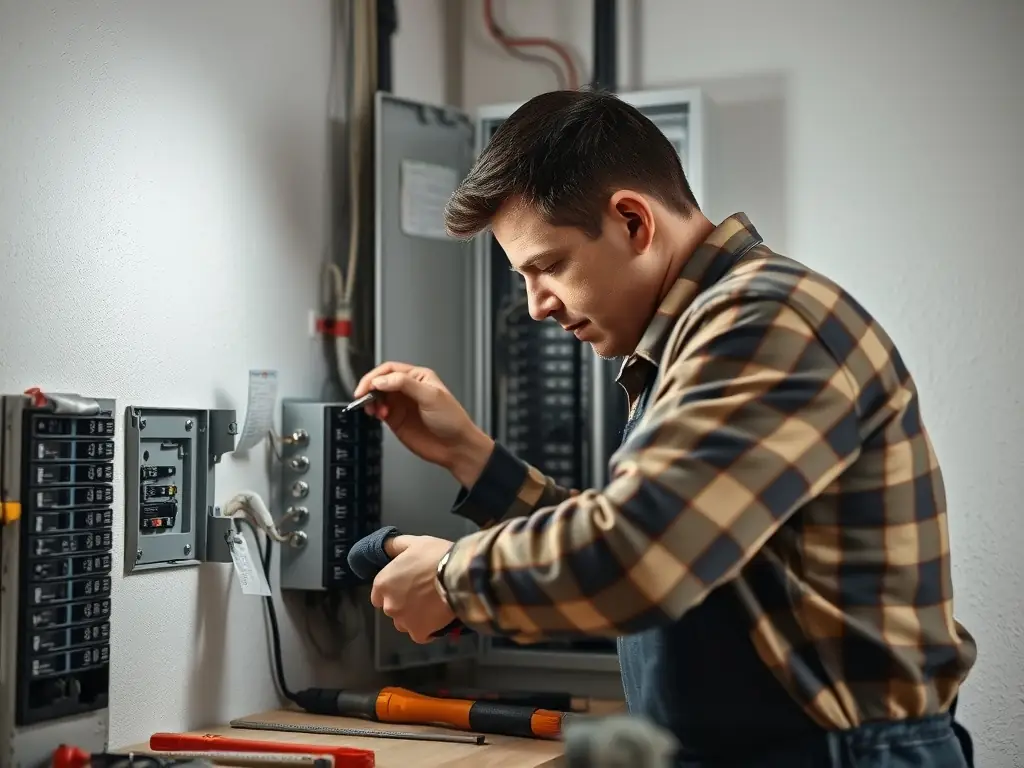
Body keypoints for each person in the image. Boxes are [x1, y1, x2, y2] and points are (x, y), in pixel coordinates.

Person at [354, 89, 978, 767]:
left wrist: (450, 577)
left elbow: (639, 556)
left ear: (631, 222)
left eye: (548, 266)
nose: (536, 306)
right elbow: (656, 536)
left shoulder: (762, 324)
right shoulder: (697, 338)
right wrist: (469, 455)